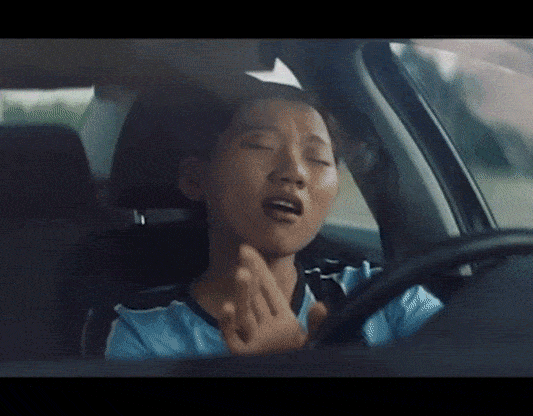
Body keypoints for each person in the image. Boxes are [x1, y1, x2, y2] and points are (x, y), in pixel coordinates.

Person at [104, 81, 443, 360]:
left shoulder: (383, 295)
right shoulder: (144, 333)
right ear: (196, 179)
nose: (295, 172)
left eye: (318, 158)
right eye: (261, 146)